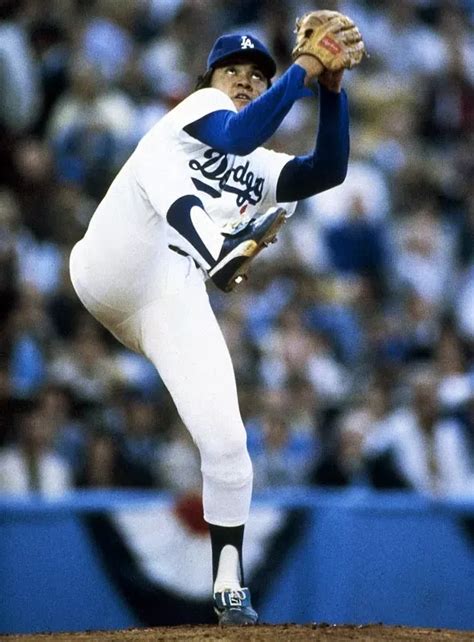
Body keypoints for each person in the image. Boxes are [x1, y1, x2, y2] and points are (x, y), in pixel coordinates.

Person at [69, 29, 352, 625]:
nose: (245, 80)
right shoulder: (198, 111)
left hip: (172, 294)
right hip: (117, 258)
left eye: (258, 75)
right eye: (233, 71)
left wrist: (331, 91)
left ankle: (228, 585)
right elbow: (238, 133)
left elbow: (328, 169)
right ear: (209, 81)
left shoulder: (264, 169)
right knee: (156, 158)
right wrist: (301, 69)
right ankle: (220, 246)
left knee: (228, 443)